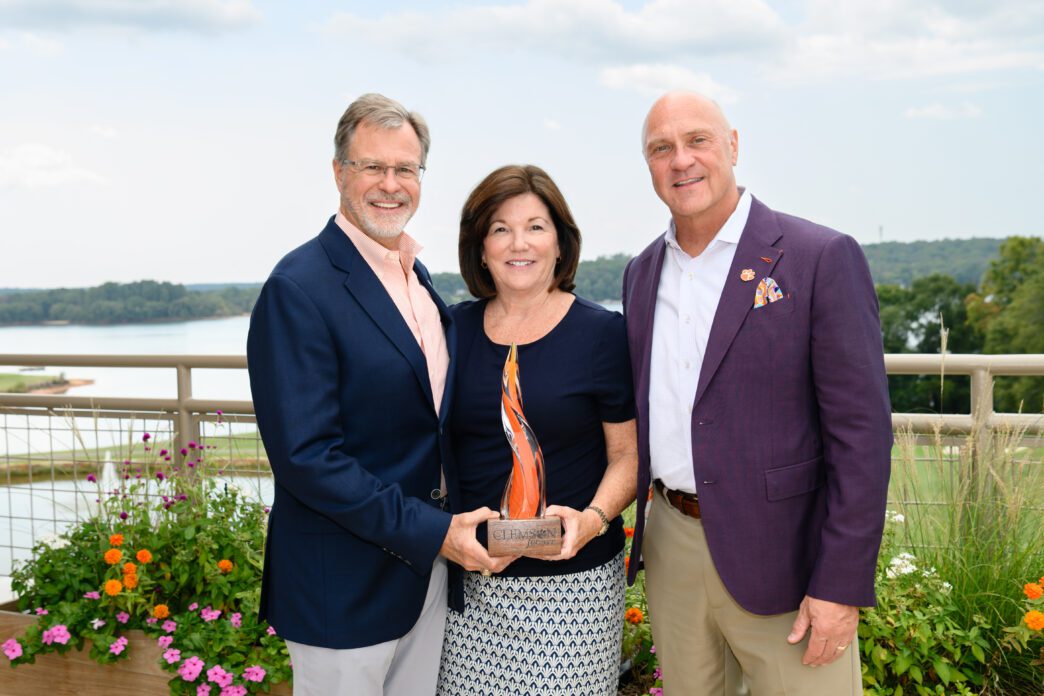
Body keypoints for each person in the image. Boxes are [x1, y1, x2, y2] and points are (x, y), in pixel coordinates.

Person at [621, 91, 893, 694]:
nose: (681, 160)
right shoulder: (641, 273)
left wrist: (839, 583)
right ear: (648, 167)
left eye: (698, 140)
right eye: (660, 149)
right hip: (674, 547)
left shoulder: (819, 257)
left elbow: (863, 436)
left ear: (734, 146)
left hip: (787, 559)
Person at [247, 93, 510, 696]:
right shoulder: (298, 286)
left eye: (406, 169)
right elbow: (307, 457)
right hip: (342, 589)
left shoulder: (415, 277)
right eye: (373, 167)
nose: (390, 185)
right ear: (339, 172)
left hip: (424, 579)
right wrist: (433, 531)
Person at [436, 164, 638, 695]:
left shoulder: (603, 333)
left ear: (560, 242)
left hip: (575, 591)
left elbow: (628, 456)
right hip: (473, 586)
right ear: (480, 248)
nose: (517, 243)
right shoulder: (450, 330)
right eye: (500, 228)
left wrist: (592, 520)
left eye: (535, 226)